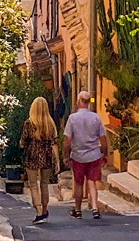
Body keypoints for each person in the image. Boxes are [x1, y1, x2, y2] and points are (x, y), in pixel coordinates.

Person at [62, 89, 108, 220]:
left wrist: (66, 155)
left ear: (79, 101)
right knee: (92, 182)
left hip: (78, 156)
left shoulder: (72, 118)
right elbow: (103, 138)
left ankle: (77, 210)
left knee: (78, 182)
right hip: (94, 155)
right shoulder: (96, 117)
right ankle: (95, 208)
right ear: (88, 102)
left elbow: (68, 139)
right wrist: (105, 154)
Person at [20, 97, 59, 223]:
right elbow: (54, 143)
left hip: (31, 156)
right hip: (46, 157)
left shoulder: (29, 123)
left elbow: (23, 141)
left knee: (33, 185)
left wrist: (22, 144)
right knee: (44, 184)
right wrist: (57, 160)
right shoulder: (50, 124)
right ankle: (45, 210)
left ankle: (38, 211)